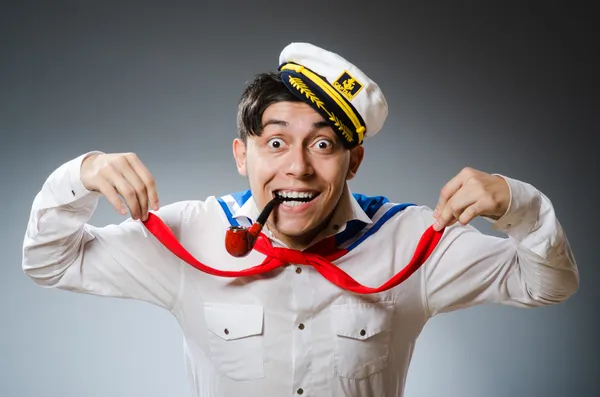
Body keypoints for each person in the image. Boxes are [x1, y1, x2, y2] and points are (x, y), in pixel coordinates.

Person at [21, 42, 579, 397]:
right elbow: (48, 262)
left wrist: (516, 202)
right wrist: (82, 172)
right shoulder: (189, 234)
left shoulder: (414, 242)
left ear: (353, 161)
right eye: (276, 142)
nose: (298, 167)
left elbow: (548, 283)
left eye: (323, 144)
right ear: (243, 154)